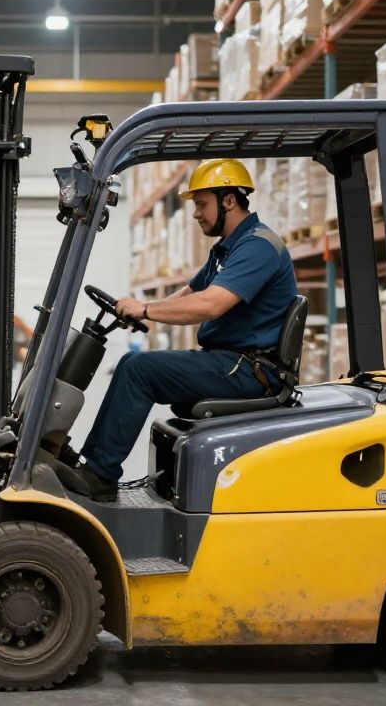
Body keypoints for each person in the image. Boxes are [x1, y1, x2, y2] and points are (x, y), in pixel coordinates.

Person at [55, 158, 298, 502]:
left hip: (249, 370)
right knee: (131, 366)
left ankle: (100, 474)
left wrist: (147, 309)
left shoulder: (258, 246)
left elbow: (211, 304)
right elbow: (192, 291)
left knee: (139, 370)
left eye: (202, 204)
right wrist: (142, 313)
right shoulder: (228, 248)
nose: (196, 213)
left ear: (229, 200)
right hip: (230, 361)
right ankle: (93, 465)